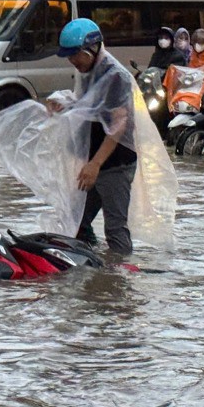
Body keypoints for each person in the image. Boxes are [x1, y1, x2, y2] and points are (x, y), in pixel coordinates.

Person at [51, 18, 139, 255]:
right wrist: (66, 104)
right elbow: (88, 105)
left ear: (91, 49)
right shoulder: (88, 70)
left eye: (75, 55)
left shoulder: (116, 76)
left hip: (114, 163)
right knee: (76, 219)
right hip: (94, 163)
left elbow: (118, 125)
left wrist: (95, 165)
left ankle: (119, 278)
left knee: (115, 230)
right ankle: (91, 266)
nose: (72, 61)